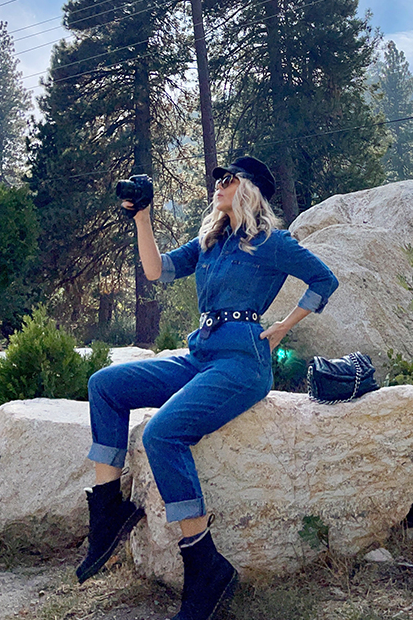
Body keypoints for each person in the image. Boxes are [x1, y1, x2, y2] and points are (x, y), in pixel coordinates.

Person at [77, 155, 338, 620]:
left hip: (242, 361)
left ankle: (205, 566)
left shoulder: (270, 243)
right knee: (105, 385)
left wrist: (282, 326)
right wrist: (142, 216)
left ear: (250, 189)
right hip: (201, 354)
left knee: (162, 434)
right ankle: (107, 512)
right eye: (218, 177)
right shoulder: (210, 244)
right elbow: (156, 271)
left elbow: (324, 278)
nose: (218, 183)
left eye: (229, 178)